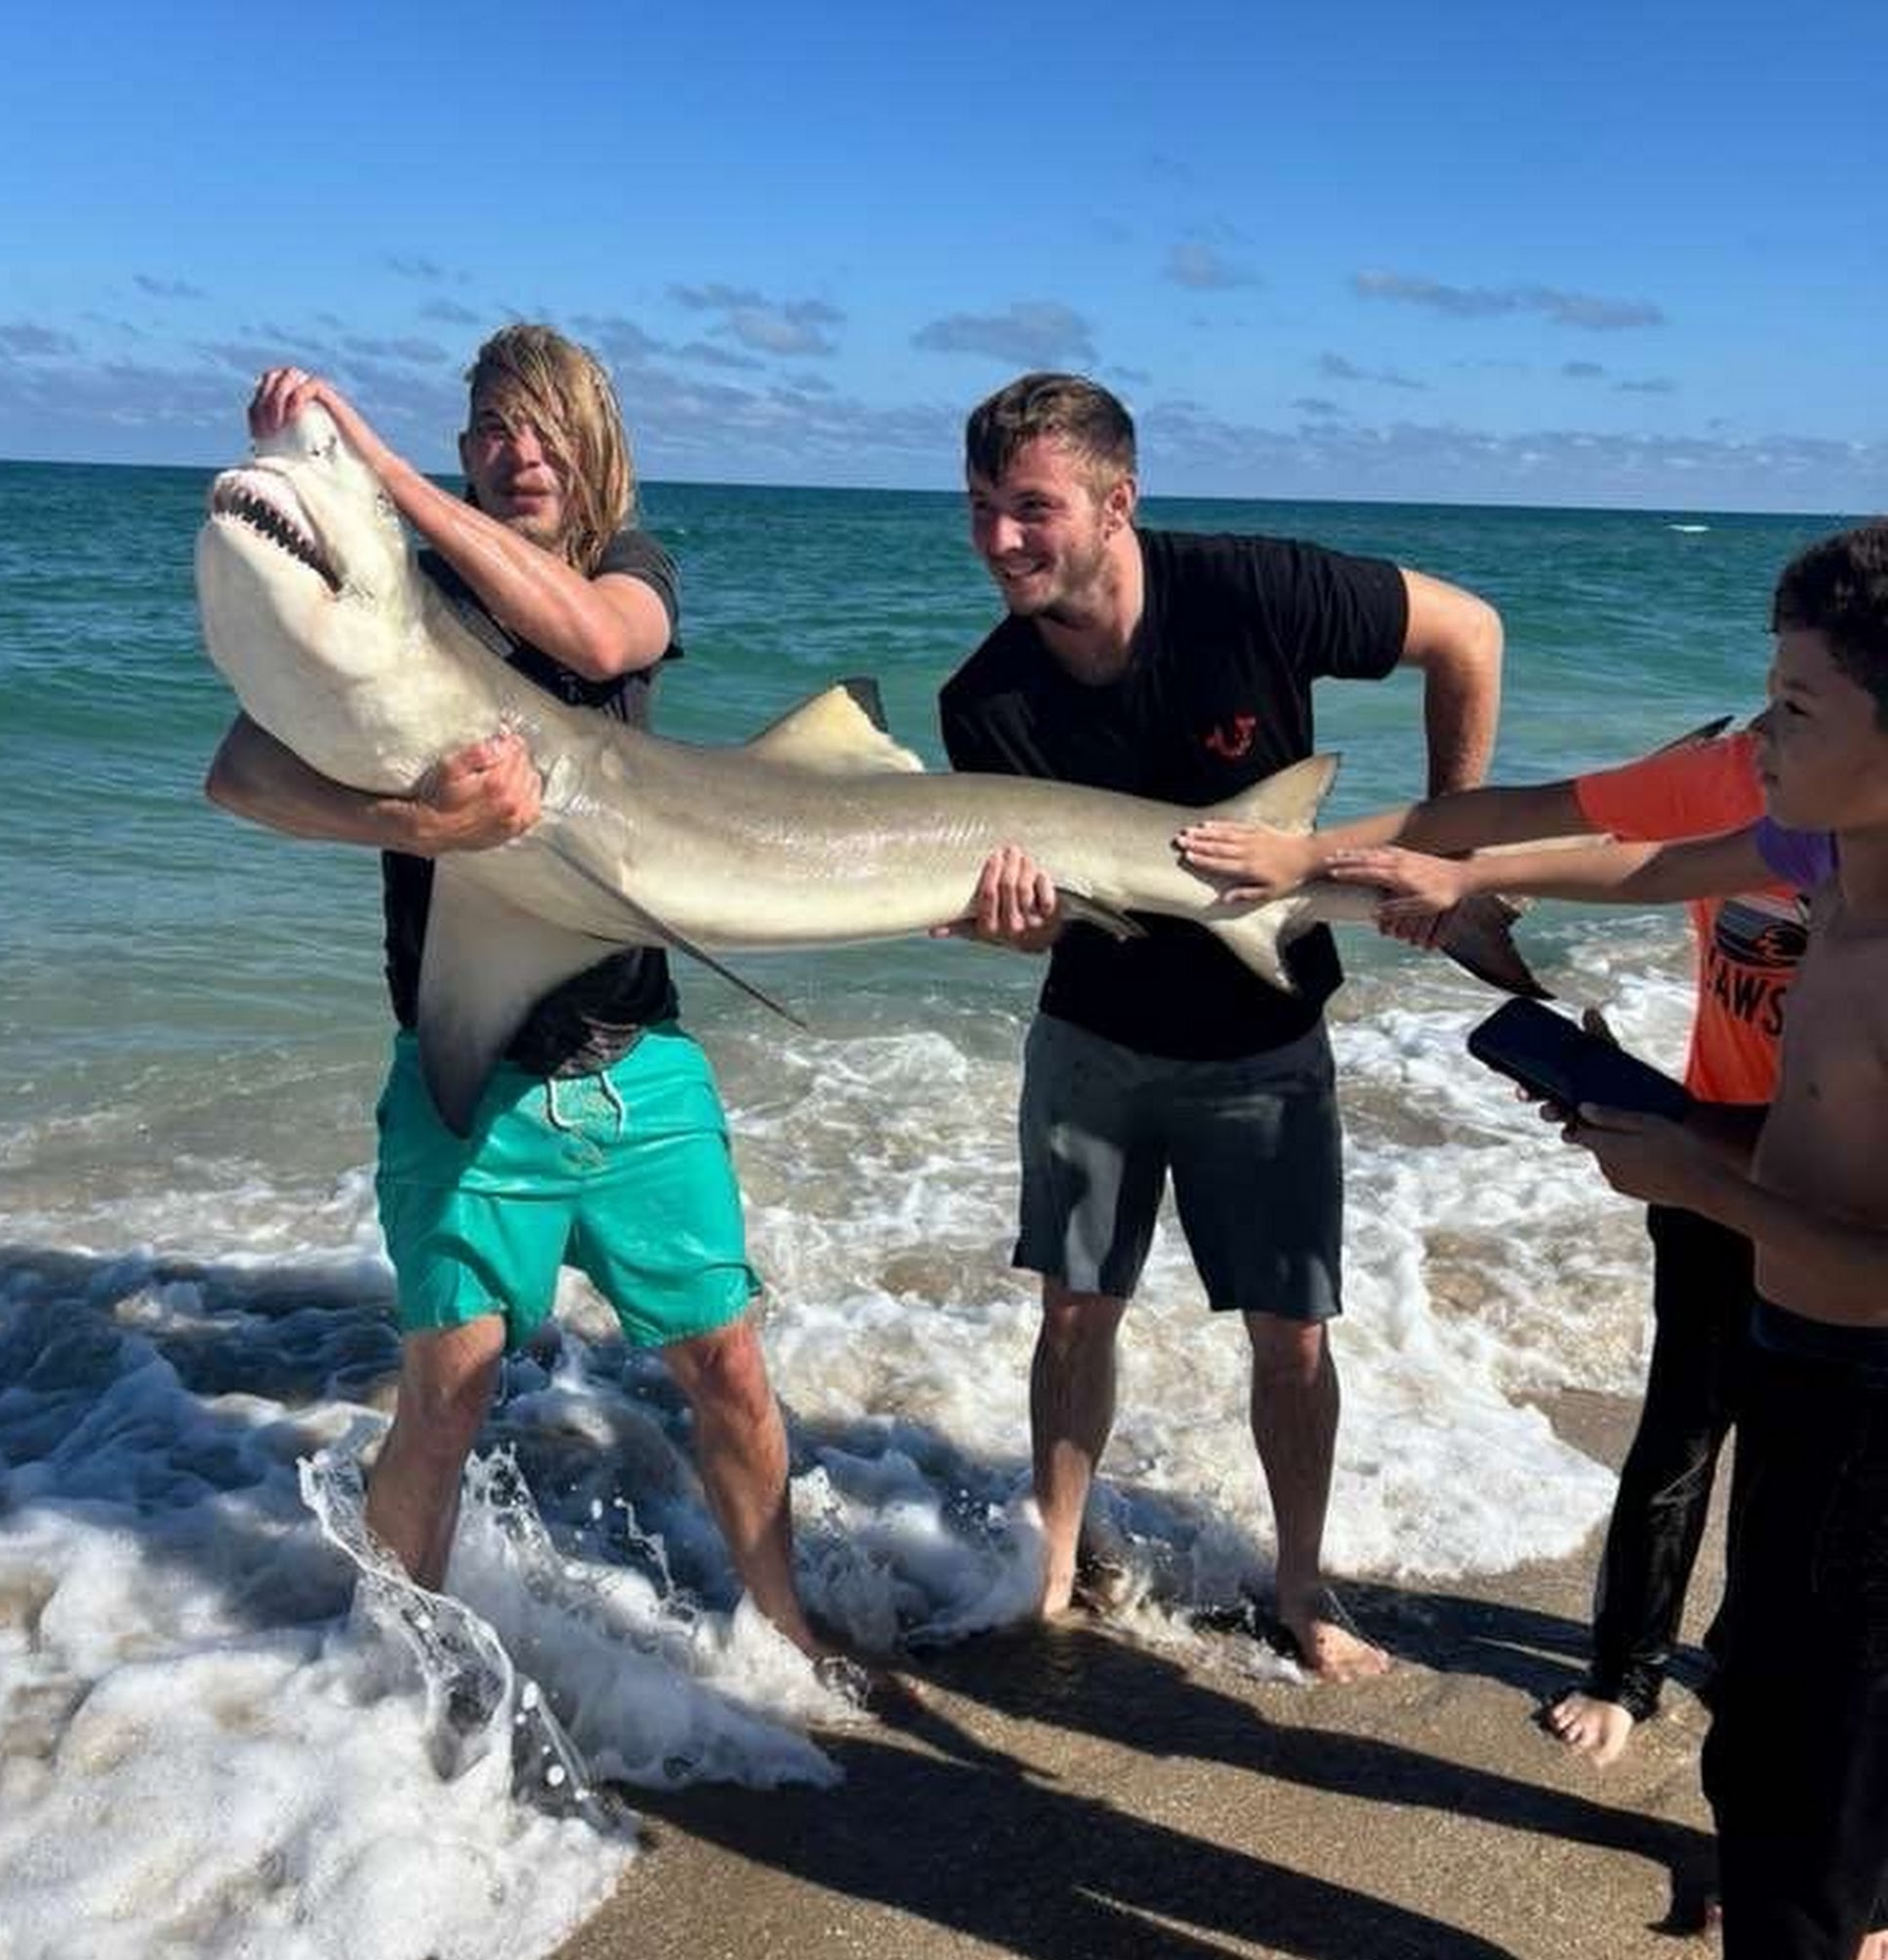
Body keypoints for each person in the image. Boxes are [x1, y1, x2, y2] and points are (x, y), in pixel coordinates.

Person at [205, 326, 825, 1663]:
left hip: (630, 1057)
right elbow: (239, 772)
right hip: (465, 1063)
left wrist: (372, 469)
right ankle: (394, 1667)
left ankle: (795, 1637)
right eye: (492, 428)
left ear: (597, 445)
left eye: (545, 428)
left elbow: (598, 638)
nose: (518, 452)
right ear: (467, 447)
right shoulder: (409, 602)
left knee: (727, 1366)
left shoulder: (629, 568)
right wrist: (418, 823)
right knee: (446, 1391)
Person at [1325, 523, 1888, 1960]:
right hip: (1798, 1357)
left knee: (1807, 1790)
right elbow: (1645, 858)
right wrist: (1459, 874)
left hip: (1869, 1412)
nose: (1759, 736)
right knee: (1765, 1719)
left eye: (1797, 707)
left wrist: (1698, 1181)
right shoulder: (1824, 854)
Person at [936, 372, 1503, 1680]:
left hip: (1263, 1044)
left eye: (1031, 507)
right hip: (1091, 1041)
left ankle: (1301, 1586)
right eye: (977, 509)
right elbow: (1036, 926)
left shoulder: (1253, 590)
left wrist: (1452, 846)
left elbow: (1468, 633)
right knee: (1073, 1313)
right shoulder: (985, 698)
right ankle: (1053, 1565)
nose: (999, 540)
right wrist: (1008, 924)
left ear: (1117, 502)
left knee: (1290, 1335)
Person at [1178, 720, 1805, 1763]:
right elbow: (1538, 821)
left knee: (1807, 1452)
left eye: (1801, 698)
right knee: (1680, 1429)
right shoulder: (1736, 778)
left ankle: (1756, 1663)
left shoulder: (1845, 828)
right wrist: (1320, 854)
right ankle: (1625, 1672)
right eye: (1774, 693)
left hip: (1838, 1185)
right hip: (1707, 1164)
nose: (1773, 724)